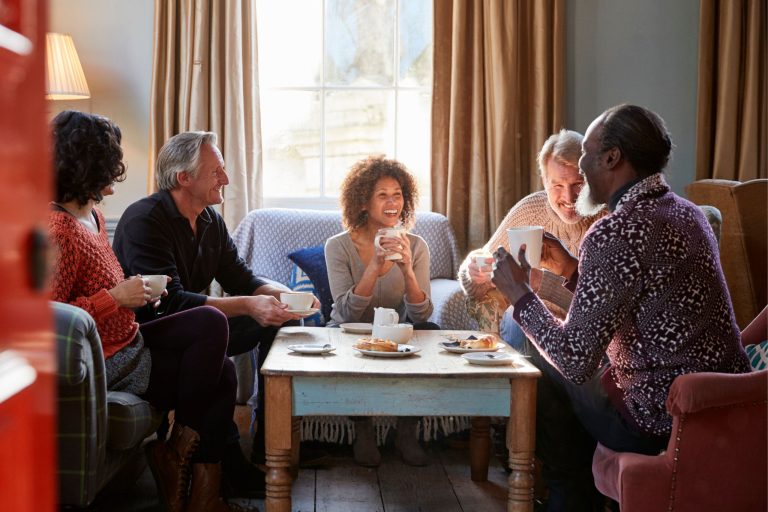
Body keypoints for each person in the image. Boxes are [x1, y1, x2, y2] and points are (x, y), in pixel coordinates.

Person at [491, 104, 752, 511]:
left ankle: (567, 495)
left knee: (530, 353)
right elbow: (643, 299)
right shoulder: (688, 214)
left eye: (585, 155)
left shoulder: (615, 231)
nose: (580, 167)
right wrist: (572, 268)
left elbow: (575, 360)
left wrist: (519, 295)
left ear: (612, 158)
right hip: (720, 406)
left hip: (658, 419)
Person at [48, 111, 238, 512]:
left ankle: (195, 489)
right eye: (110, 161)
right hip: (108, 359)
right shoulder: (59, 230)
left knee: (220, 355)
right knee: (215, 339)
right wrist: (116, 298)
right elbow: (51, 320)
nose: (117, 171)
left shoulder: (93, 216)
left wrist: (139, 295)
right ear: (87, 164)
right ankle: (180, 459)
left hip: (130, 339)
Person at [112, 131, 316, 496]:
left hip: (200, 329)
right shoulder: (144, 219)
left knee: (281, 317)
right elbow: (169, 302)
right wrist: (250, 305)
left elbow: (241, 277)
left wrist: (284, 297)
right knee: (222, 327)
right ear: (183, 178)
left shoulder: (210, 219)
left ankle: (271, 444)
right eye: (216, 171)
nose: (225, 178)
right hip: (150, 334)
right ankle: (224, 467)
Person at [325, 155, 435, 467]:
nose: (392, 203)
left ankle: (406, 432)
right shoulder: (338, 246)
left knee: (431, 333)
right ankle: (363, 430)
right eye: (382, 195)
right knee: (339, 339)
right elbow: (346, 314)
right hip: (349, 329)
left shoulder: (416, 245)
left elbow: (422, 315)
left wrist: (408, 271)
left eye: (398, 194)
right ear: (362, 202)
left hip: (395, 329)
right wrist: (374, 267)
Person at [458, 129, 605, 336]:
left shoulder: (608, 221)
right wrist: (473, 273)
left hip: (581, 338)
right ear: (544, 182)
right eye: (557, 185)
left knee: (522, 320)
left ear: (590, 178)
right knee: (518, 320)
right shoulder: (530, 210)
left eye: (577, 184)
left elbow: (604, 310)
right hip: (528, 326)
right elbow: (483, 263)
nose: (569, 196)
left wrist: (542, 284)